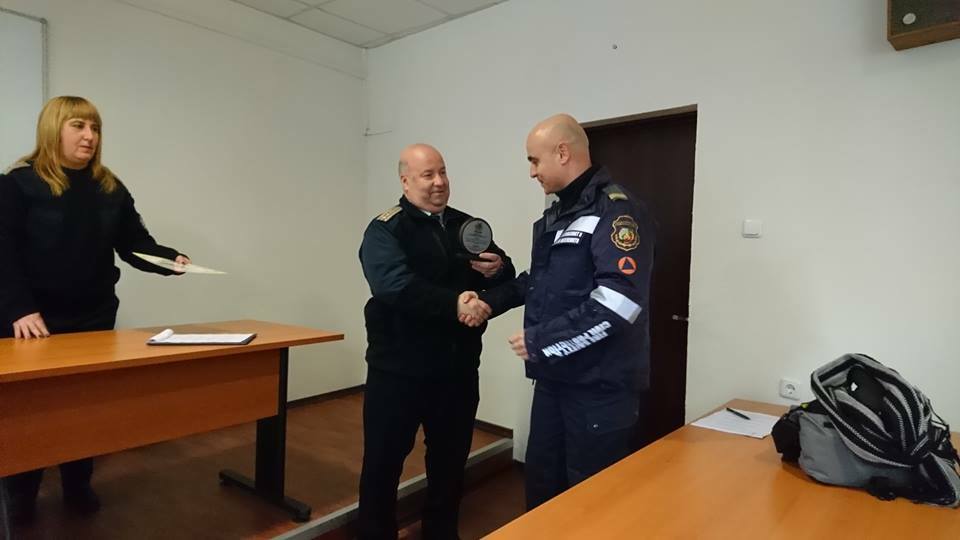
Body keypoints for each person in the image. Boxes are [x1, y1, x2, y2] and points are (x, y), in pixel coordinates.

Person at [0, 96, 191, 524]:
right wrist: (19, 308)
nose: (90, 136)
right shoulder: (17, 184)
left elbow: (134, 243)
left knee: (84, 408)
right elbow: (2, 252)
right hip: (32, 322)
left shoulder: (109, 187)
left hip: (93, 318)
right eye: (79, 126)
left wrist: (171, 260)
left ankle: (77, 483)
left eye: (95, 128)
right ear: (53, 129)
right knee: (30, 413)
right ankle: (21, 493)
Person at [472, 114, 656, 509]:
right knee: (542, 484)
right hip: (555, 379)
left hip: (599, 389)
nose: (532, 172)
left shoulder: (616, 211)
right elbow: (539, 281)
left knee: (591, 502)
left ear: (562, 152)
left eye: (534, 160)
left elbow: (620, 302)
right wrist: (490, 301)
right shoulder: (556, 216)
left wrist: (542, 340)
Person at [357, 143, 515, 540]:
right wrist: (454, 304)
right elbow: (392, 285)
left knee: (450, 463)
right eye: (428, 175)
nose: (439, 182)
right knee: (383, 464)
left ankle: (441, 533)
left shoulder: (467, 226)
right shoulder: (385, 229)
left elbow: (506, 273)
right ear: (405, 181)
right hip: (398, 371)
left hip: (457, 370)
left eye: (442, 172)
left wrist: (497, 269)